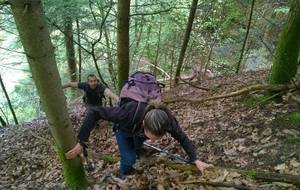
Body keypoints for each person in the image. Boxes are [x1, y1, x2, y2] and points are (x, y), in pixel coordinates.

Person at [65, 99, 211, 178]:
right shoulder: (126, 114)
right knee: (129, 159)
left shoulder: (168, 121)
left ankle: (137, 149)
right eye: (151, 136)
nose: (153, 141)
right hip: (124, 130)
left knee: (137, 148)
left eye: (157, 138)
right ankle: (123, 174)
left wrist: (195, 159)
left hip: (139, 132)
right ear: (143, 124)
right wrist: (81, 142)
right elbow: (94, 112)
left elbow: (183, 138)